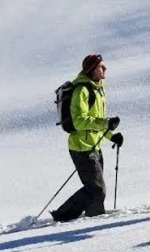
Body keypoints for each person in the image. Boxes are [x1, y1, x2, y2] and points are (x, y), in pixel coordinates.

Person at [52, 53, 123, 222]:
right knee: (97, 190)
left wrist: (111, 136)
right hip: (81, 147)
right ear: (92, 70)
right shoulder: (82, 90)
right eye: (101, 67)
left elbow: (94, 125)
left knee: (94, 189)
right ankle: (89, 221)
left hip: (94, 146)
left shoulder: (98, 90)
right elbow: (80, 121)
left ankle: (63, 216)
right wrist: (106, 123)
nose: (105, 69)